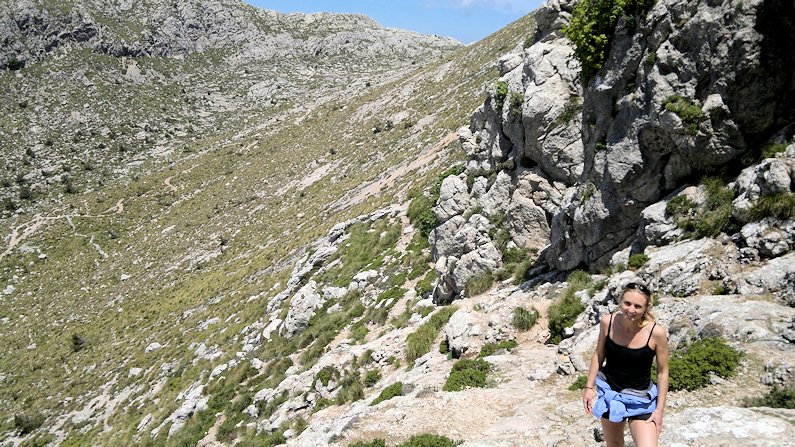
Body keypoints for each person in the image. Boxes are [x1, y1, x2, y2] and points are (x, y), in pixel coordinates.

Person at [582, 281, 669, 447]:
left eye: (638, 306)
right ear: (620, 301)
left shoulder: (656, 333)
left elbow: (663, 372)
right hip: (611, 395)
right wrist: (588, 387)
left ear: (646, 308)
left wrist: (659, 410)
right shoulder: (608, 322)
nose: (631, 310)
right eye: (627, 303)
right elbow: (599, 354)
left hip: (641, 400)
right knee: (614, 444)